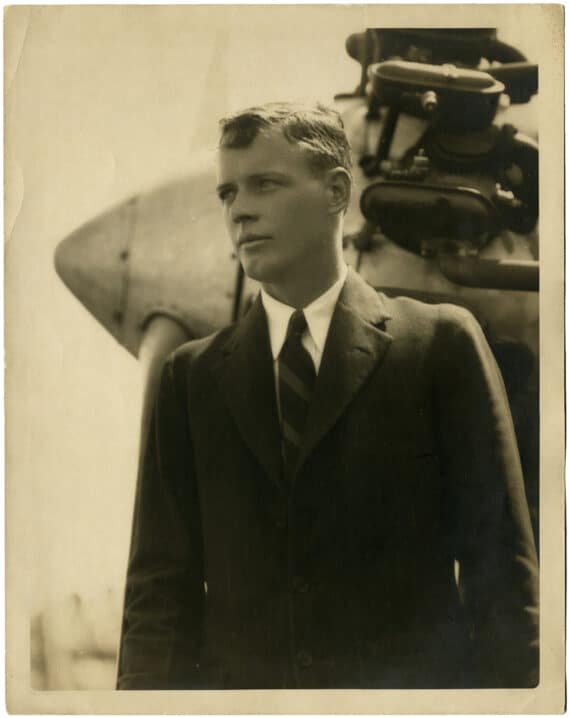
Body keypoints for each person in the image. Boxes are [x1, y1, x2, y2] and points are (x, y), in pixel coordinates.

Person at [117, 102, 539, 690]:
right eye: (227, 194)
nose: (239, 211)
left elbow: (505, 590)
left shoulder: (441, 345)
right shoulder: (187, 379)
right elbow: (157, 603)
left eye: (264, 184)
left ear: (336, 191)